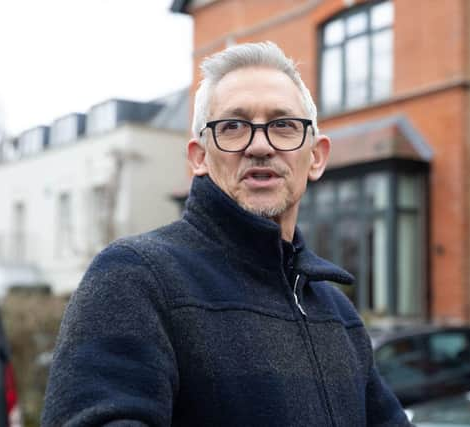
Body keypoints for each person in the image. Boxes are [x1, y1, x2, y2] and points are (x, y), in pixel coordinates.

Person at [42, 41, 411, 427]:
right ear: (199, 157)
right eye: (233, 127)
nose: (260, 145)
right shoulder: (137, 278)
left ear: (316, 156)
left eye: (283, 125)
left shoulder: (338, 315)